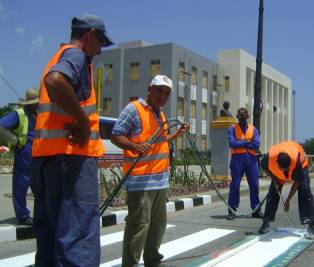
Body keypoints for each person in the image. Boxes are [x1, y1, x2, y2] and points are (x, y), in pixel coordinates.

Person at [30, 14, 113, 266]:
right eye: (100, 43)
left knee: (51, 238)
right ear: (89, 36)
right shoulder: (76, 56)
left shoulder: (56, 56)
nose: (99, 51)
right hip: (71, 160)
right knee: (78, 237)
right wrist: (84, 121)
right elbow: (56, 81)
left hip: (45, 159)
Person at [111, 75, 190, 267]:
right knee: (139, 227)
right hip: (140, 181)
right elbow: (115, 135)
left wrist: (175, 135)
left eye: (166, 93)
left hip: (160, 181)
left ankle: (153, 261)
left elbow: (157, 141)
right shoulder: (134, 109)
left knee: (157, 226)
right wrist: (135, 146)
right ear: (149, 89)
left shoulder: (160, 113)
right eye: (159, 91)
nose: (162, 96)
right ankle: (129, 264)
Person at [258, 141, 314, 240]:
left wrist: (288, 201)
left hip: (302, 165)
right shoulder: (270, 157)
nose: (284, 171)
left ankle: (310, 226)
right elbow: (264, 166)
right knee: (273, 193)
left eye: (286, 169)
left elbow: (297, 182)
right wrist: (274, 178)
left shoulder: (296, 162)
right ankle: (266, 223)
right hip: (277, 173)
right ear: (276, 162)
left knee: (305, 191)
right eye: (282, 169)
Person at [0, 88, 39, 225]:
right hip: (24, 152)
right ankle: (22, 215)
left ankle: (38, 214)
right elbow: (1, 126)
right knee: (21, 185)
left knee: (39, 185)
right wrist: (14, 140)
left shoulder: (37, 114)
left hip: (37, 152)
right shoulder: (20, 114)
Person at [227, 107, 263, 220]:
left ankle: (256, 209)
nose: (242, 118)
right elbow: (232, 143)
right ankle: (231, 209)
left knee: (254, 184)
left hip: (251, 160)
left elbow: (257, 144)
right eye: (240, 116)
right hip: (237, 160)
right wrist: (246, 142)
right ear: (238, 117)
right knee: (235, 184)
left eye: (244, 116)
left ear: (247, 117)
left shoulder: (254, 129)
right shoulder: (232, 128)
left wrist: (241, 143)